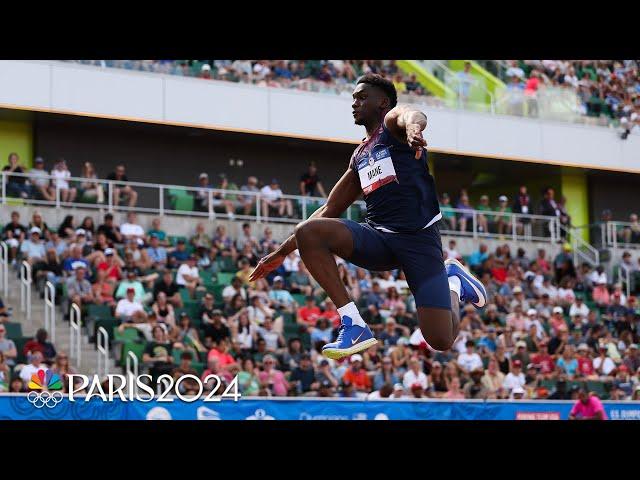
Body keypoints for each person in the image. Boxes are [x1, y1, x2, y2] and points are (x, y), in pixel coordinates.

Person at [249, 73, 487, 360]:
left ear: (382, 102)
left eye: (362, 98)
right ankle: (354, 324)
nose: (354, 103)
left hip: (418, 242)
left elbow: (411, 113)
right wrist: (281, 252)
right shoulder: (360, 155)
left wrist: (413, 127)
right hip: (380, 239)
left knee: (440, 340)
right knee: (309, 230)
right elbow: (328, 209)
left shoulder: (393, 128)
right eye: (353, 98)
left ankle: (453, 282)